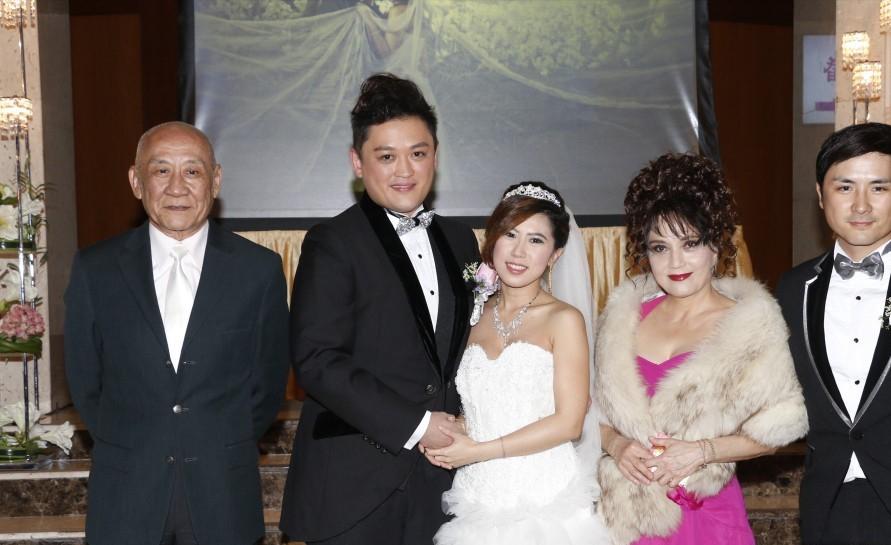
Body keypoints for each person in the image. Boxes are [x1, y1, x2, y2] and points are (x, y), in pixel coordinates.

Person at [64, 121, 290, 545]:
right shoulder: (96, 269)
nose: (177, 187)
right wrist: (135, 440)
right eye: (161, 170)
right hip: (127, 494)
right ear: (136, 181)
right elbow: (85, 381)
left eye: (192, 171)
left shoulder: (258, 270)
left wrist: (215, 439)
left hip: (222, 494)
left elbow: (268, 384)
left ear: (215, 180)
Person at [279, 73, 480, 544]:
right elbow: (316, 360)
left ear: (435, 156)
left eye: (418, 153)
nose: (404, 170)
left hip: (446, 484)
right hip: (355, 485)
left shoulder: (461, 241)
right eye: (386, 156)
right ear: (357, 161)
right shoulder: (332, 242)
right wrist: (418, 424)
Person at [595, 153, 807, 545]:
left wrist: (703, 451)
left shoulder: (751, 326)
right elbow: (590, 412)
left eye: (690, 243)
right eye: (660, 247)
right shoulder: (621, 320)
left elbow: (780, 425)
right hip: (624, 519)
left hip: (705, 517)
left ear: (716, 245)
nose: (675, 261)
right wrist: (616, 443)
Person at [424, 181, 610, 545]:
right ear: (493, 238)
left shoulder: (563, 320)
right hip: (478, 498)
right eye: (510, 234)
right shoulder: (472, 314)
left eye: (536, 240)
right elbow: (484, 406)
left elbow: (569, 423)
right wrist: (449, 430)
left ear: (555, 255)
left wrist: (479, 451)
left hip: (545, 502)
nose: (519, 251)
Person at [777, 122, 891, 545]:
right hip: (827, 502)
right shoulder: (793, 288)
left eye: (879, 188)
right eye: (845, 187)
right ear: (821, 195)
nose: (861, 205)